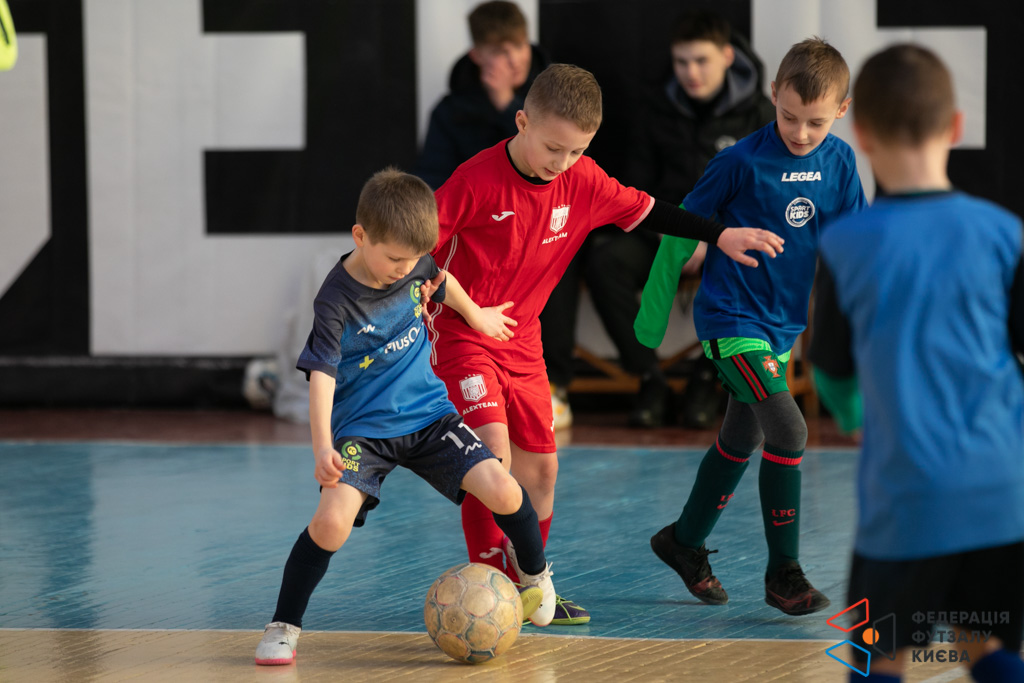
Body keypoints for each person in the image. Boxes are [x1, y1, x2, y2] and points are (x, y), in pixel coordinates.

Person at [426, 62, 785, 626]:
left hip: (522, 340)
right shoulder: (474, 181)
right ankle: (492, 589)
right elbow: (417, 253)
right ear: (522, 122)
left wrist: (720, 234)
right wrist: (455, 309)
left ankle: (530, 583)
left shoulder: (584, 181)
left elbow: (652, 210)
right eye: (553, 148)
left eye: (577, 151)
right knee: (492, 457)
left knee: (542, 473)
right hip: (461, 334)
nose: (562, 163)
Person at [254, 168, 558, 666]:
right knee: (331, 523)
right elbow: (322, 378)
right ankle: (283, 625)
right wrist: (322, 447)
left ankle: (535, 574)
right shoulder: (335, 301)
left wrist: (476, 314)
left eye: (413, 259)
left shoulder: (414, 263)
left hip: (430, 417)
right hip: (365, 433)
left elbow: (440, 280)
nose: (405, 269)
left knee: (504, 488)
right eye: (395, 259)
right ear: (360, 236)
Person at [809, 44, 1024, 682]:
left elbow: (832, 372)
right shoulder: (1004, 233)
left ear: (861, 134)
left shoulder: (845, 244)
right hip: (1002, 496)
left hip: (906, 503)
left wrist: (856, 420)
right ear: (955, 126)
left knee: (877, 658)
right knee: (990, 648)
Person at [637, 37, 867, 615]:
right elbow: (679, 225)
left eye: (816, 122)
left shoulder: (840, 163)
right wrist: (653, 317)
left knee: (742, 439)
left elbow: (856, 251)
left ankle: (683, 541)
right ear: (772, 94)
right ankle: (784, 574)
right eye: (789, 116)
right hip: (730, 319)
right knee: (789, 431)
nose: (801, 133)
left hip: (782, 328)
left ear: (842, 110)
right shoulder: (739, 161)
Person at [540, 9, 776, 429]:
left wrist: (710, 235)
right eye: (682, 62)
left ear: (726, 56)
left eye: (701, 60)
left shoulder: (758, 114)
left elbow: (762, 195)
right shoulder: (655, 108)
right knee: (605, 262)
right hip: (665, 231)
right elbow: (638, 186)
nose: (691, 72)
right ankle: (650, 379)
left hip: (725, 236)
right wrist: (678, 236)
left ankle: (708, 379)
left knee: (755, 260)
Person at [413, 1, 549, 191]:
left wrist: (507, 105)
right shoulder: (449, 113)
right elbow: (432, 185)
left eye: (520, 46)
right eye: (500, 51)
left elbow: (563, 163)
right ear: (477, 56)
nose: (514, 60)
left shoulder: (555, 95)